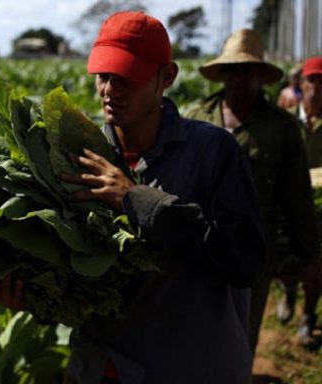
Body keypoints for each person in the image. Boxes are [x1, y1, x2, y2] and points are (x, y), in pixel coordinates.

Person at [57, 12, 265, 384]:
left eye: (126, 78)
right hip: (101, 369)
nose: (109, 90)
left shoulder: (212, 151)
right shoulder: (81, 157)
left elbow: (244, 259)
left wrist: (137, 201)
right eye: (103, 76)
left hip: (189, 367)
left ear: (165, 77)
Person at [185, 29, 320, 356]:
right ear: (222, 73)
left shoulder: (280, 128)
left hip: (253, 256)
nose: (239, 77)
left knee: (239, 346)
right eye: (233, 69)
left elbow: (297, 198)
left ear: (260, 74)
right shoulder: (195, 118)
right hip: (193, 251)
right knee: (191, 342)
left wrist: (311, 255)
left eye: (248, 69)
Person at [276, 56, 322, 348]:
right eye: (311, 81)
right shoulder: (288, 122)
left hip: (320, 207)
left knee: (317, 264)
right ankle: (288, 291)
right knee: (286, 257)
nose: (316, 88)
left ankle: (308, 317)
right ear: (301, 84)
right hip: (290, 204)